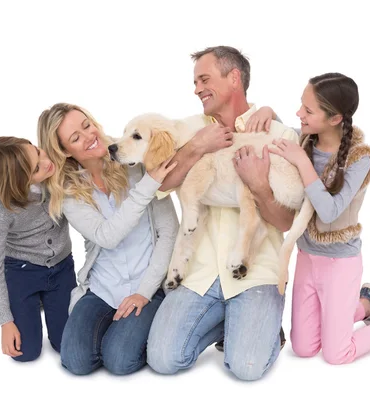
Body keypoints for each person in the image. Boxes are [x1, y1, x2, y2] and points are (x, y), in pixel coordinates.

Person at [146, 46, 298, 381]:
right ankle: (228, 326)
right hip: (199, 273)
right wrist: (199, 146)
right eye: (195, 81)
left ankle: (263, 329)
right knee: (162, 359)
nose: (197, 88)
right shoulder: (189, 130)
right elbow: (159, 183)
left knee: (246, 368)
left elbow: (287, 221)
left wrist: (259, 186)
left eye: (204, 79)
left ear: (234, 78)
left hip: (257, 270)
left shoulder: (277, 133)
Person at [250, 72, 370, 364]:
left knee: (337, 354)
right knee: (304, 348)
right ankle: (364, 306)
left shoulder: (361, 158)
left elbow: (330, 210)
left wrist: (300, 161)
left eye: (308, 110)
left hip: (340, 263)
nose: (299, 113)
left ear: (334, 119)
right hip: (307, 256)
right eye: (300, 105)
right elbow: (286, 137)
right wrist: (268, 112)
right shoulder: (305, 140)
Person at [37, 103, 179, 375]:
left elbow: (168, 231)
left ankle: (148, 326)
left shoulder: (133, 155)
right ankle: (123, 332)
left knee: (120, 360)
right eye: (75, 138)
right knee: (76, 361)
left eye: (87, 125)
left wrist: (144, 292)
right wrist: (150, 184)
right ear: (65, 151)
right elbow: (107, 236)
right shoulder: (67, 191)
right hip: (104, 288)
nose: (89, 136)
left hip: (147, 284)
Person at [0, 136, 76, 362]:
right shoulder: (0, 208)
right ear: (18, 184)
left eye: (38, 151)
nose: (46, 162)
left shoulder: (55, 175)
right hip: (22, 272)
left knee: (66, 344)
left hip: (61, 268)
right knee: (25, 353)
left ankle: (46, 302)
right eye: (36, 169)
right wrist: (5, 321)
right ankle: (31, 302)